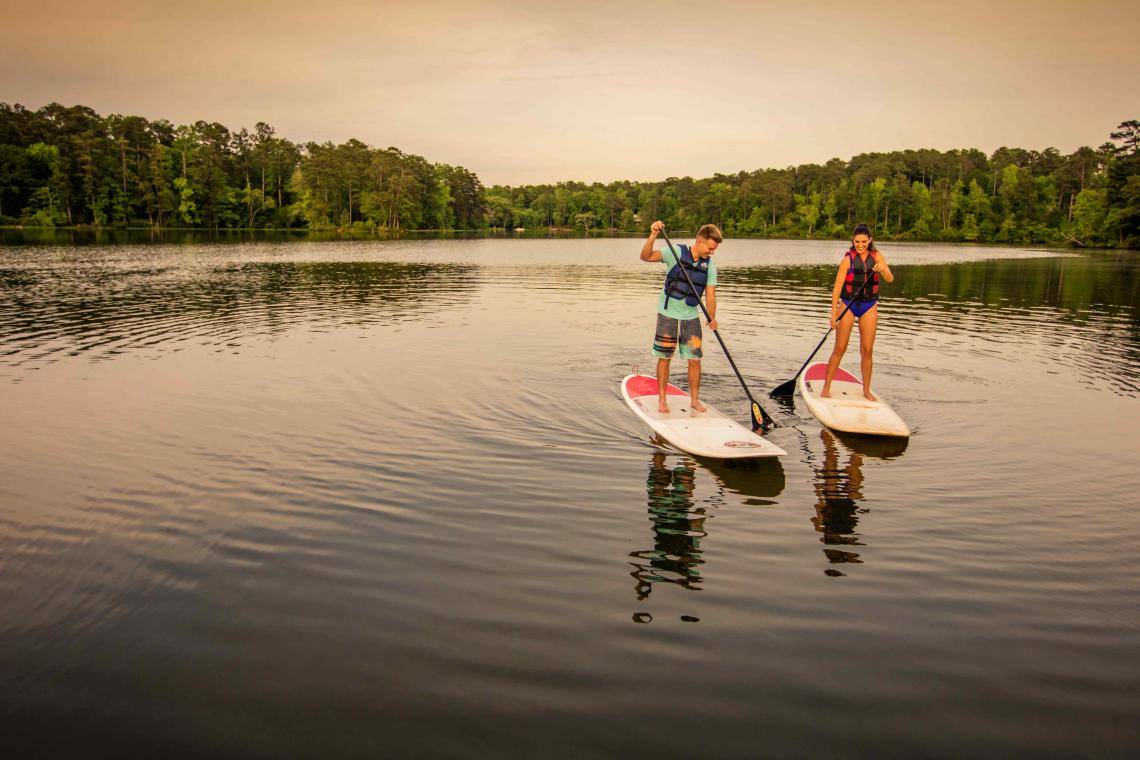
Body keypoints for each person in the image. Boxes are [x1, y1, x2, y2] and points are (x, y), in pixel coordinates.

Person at [639, 220, 722, 414]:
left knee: (695, 360)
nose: (712, 253)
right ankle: (661, 400)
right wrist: (653, 235)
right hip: (668, 315)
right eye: (710, 248)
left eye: (714, 250)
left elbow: (710, 294)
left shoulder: (710, 265)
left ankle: (694, 400)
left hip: (690, 318)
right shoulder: (675, 252)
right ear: (699, 241)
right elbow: (646, 256)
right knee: (665, 357)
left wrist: (712, 317)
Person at [821, 223, 894, 401]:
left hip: (868, 305)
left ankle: (866, 390)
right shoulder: (847, 260)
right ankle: (826, 387)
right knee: (840, 348)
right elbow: (837, 289)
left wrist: (883, 268)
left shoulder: (877, 256)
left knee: (867, 350)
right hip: (848, 305)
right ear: (852, 242)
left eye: (863, 241)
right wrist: (833, 314)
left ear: (870, 240)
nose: (860, 245)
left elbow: (890, 279)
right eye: (857, 242)